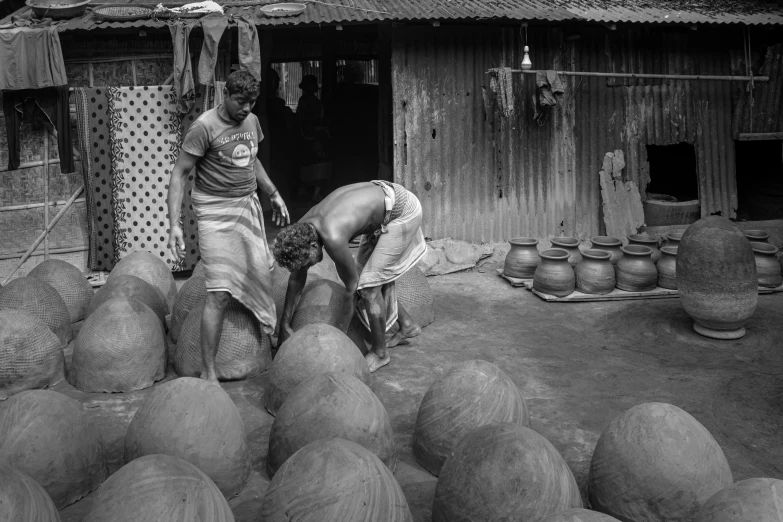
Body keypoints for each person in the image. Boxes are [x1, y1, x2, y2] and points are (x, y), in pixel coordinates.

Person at [167, 70, 290, 384]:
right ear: (225, 94)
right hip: (215, 215)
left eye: (251, 102)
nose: (246, 108)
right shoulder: (204, 127)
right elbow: (179, 174)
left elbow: (253, 160)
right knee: (219, 294)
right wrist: (174, 225)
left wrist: (272, 192)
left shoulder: (251, 122)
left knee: (263, 271)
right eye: (241, 101)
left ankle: (266, 335)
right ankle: (209, 372)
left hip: (246, 207)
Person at [272, 181, 426, 372]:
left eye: (307, 262)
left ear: (313, 246)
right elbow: (296, 278)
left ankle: (380, 353)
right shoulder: (302, 231)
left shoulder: (333, 237)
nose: (309, 266)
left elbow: (351, 291)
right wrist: (284, 326)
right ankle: (407, 325)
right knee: (367, 276)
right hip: (385, 202)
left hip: (402, 211)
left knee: (368, 289)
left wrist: (338, 337)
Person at [295, 74, 330, 202]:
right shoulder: (311, 102)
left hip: (306, 136)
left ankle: (304, 190)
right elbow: (313, 120)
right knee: (318, 164)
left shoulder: (303, 101)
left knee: (307, 163)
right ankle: (315, 192)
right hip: (314, 136)